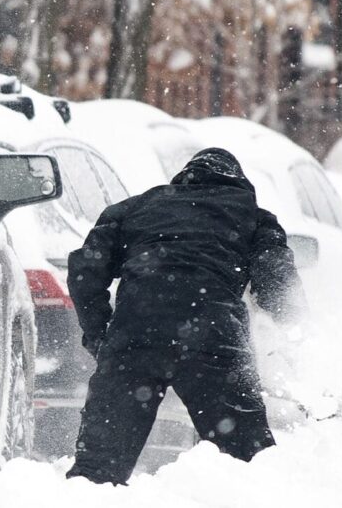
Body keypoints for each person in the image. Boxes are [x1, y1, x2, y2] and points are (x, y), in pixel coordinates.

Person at [65, 147, 306, 485]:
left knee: (97, 471)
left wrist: (98, 334)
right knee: (247, 464)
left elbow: (85, 270)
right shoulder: (253, 217)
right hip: (214, 338)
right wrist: (294, 335)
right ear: (239, 184)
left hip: (136, 334)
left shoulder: (136, 208)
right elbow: (276, 279)